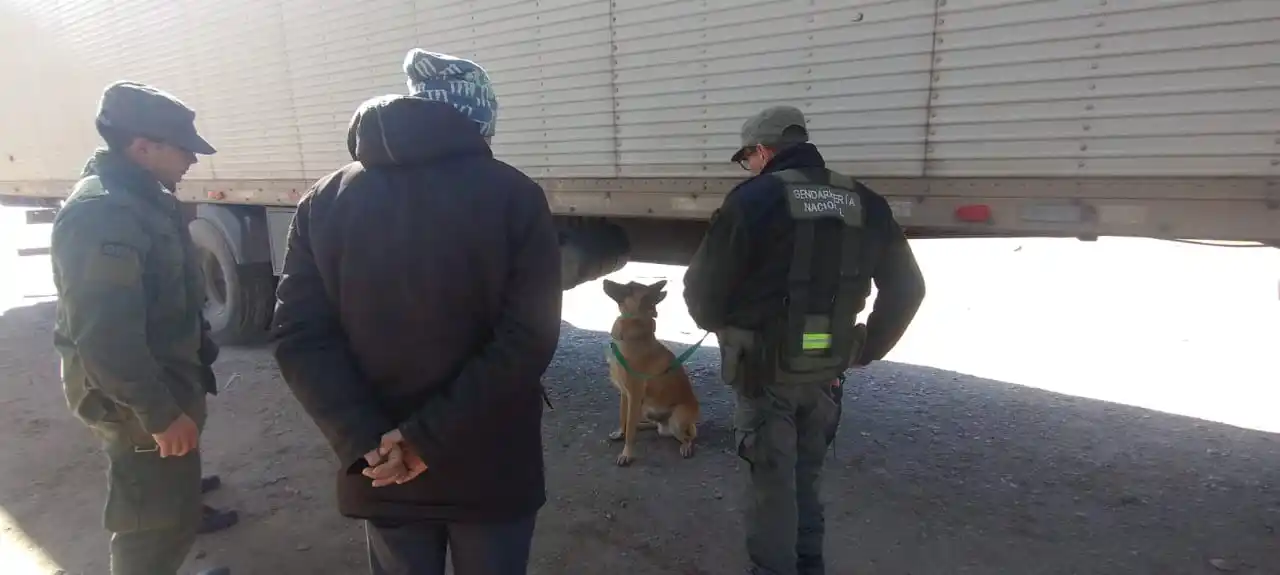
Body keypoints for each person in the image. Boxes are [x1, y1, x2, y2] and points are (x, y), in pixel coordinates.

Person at [271, 48, 561, 575]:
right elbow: (527, 339)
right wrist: (424, 441)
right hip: (488, 465)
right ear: (478, 120)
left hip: (381, 469)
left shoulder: (325, 199)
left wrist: (365, 442)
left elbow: (300, 337)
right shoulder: (513, 195)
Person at [683, 105, 926, 575]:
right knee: (807, 478)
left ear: (763, 150)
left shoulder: (752, 200)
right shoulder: (866, 201)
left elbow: (701, 294)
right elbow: (908, 289)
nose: (748, 167)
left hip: (764, 371)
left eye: (746, 158)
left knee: (772, 486)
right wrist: (865, 348)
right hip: (827, 369)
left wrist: (722, 325)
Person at [50, 80, 230, 575]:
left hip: (161, 382)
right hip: (136, 399)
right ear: (142, 147)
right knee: (150, 521)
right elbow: (105, 334)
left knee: (171, 497)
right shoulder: (104, 212)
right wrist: (158, 412)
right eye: (183, 149)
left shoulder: (142, 196)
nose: (191, 160)